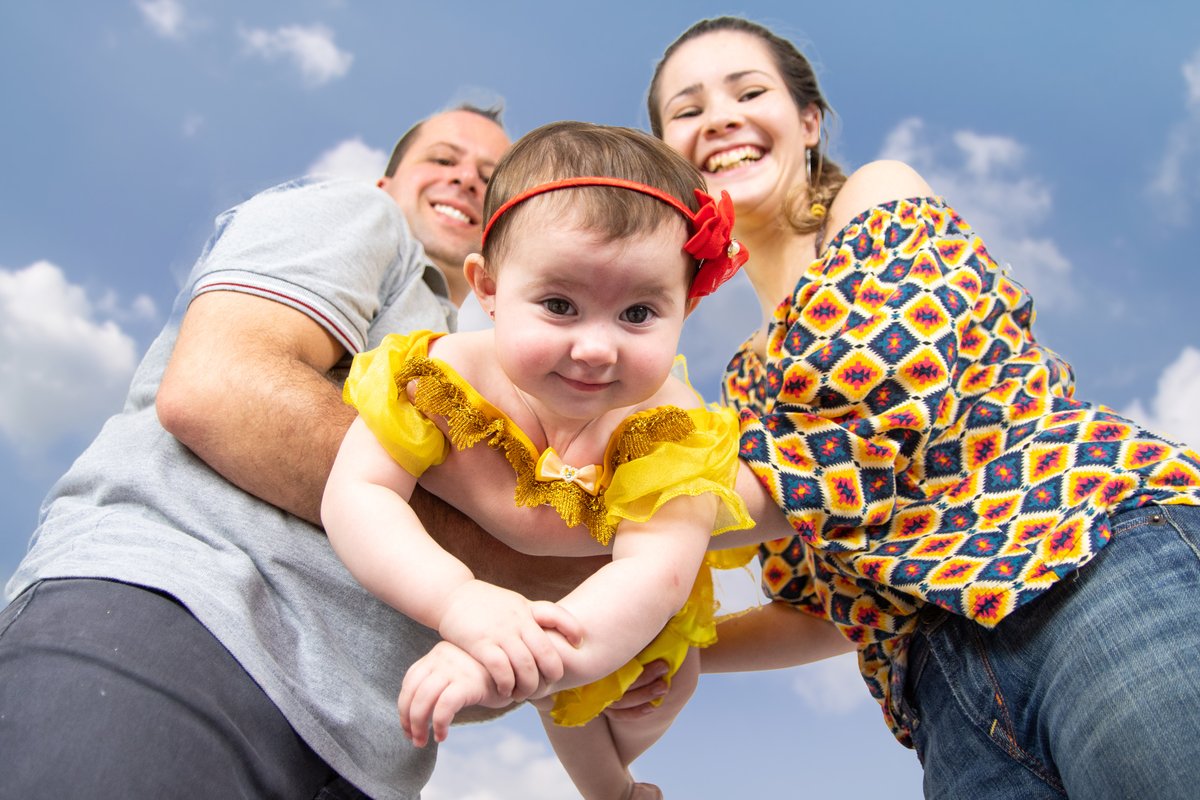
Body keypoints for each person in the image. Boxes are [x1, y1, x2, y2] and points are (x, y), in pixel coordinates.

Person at [642, 16, 1200, 799]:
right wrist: (673, 644)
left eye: (748, 91)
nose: (720, 118)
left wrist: (606, 529)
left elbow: (867, 425)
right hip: (945, 700)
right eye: (688, 109)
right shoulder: (745, 394)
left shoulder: (880, 197)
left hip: (1087, 566)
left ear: (808, 122)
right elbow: (827, 607)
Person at [0, 104, 611, 800]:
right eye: (443, 160)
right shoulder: (362, 217)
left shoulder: (486, 373)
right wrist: (523, 563)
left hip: (368, 756)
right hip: (184, 632)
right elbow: (218, 388)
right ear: (387, 185)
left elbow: (416, 622)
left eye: (490, 178)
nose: (467, 181)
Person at [322, 121, 756, 800]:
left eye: (639, 313)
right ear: (488, 289)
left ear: (687, 308)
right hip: (510, 600)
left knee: (666, 685)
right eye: (559, 305)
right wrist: (458, 603)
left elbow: (651, 575)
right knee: (550, 681)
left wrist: (518, 659)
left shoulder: (668, 427)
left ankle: (608, 785)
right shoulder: (439, 376)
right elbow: (358, 493)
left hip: (628, 622)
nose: (595, 348)